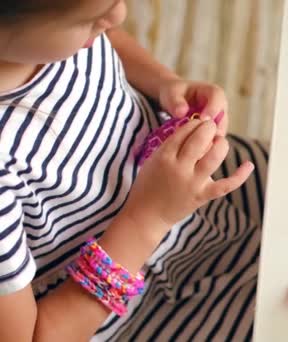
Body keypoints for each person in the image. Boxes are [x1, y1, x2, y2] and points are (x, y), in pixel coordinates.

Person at [0, 1, 267, 341]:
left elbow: (108, 36)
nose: (119, 15)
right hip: (140, 311)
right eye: (89, 21)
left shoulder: (47, 34)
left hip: (203, 213)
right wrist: (150, 218)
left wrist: (165, 83)